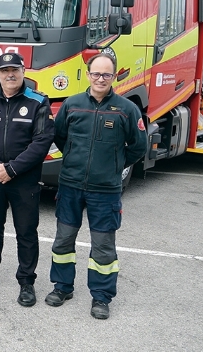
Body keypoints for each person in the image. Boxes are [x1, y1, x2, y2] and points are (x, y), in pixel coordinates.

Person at [45, 53, 147, 319]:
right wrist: (74, 159)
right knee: (64, 239)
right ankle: (62, 287)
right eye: (96, 74)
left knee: (103, 245)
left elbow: (139, 146)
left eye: (106, 74)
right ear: (88, 74)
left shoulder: (127, 109)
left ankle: (101, 297)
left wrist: (115, 165)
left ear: (114, 77)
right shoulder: (72, 104)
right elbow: (59, 136)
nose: (100, 79)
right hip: (70, 186)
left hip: (106, 190)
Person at [0, 52, 54, 308]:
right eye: (4, 70)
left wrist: (12, 169)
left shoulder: (37, 102)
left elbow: (42, 142)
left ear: (23, 71)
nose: (10, 74)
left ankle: (26, 281)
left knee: (26, 232)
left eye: (14, 69)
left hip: (23, 179)